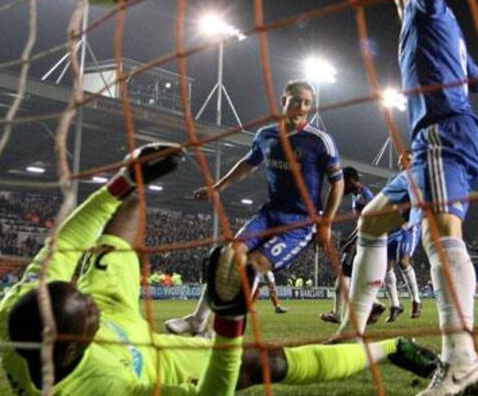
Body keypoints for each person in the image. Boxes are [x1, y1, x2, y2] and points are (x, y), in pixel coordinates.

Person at [0, 143, 438, 396]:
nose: (86, 300)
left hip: (115, 313)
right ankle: (390, 348)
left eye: (77, 294)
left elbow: (67, 241)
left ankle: (135, 189)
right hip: (159, 364)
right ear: (71, 351)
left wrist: (122, 180)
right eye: (86, 312)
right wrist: (229, 322)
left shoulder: (17, 307)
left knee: (126, 208)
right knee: (262, 363)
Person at [338, 0, 478, 396]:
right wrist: (463, 72)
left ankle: (462, 363)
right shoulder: (433, 26)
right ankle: (353, 328)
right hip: (431, 142)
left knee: (438, 237)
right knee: (372, 221)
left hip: (445, 133)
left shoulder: (428, 7)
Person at [165, 80, 345, 336]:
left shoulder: (320, 141)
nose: (301, 107)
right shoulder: (266, 135)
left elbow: (338, 183)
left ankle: (219, 331)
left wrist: (326, 223)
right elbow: (248, 164)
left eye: (307, 103)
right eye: (296, 101)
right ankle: (197, 321)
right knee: (229, 256)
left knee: (253, 265)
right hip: (269, 213)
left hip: (300, 222)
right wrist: (218, 187)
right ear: (283, 100)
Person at [320, 166, 376, 324]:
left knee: (344, 274)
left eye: (342, 182)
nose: (340, 186)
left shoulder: (364, 197)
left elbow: (368, 224)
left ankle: (340, 313)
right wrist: (350, 239)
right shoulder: (358, 195)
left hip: (367, 239)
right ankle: (372, 304)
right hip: (364, 238)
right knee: (352, 275)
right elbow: (361, 224)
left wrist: (352, 242)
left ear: (350, 181)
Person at [383, 221, 422, 322]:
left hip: (410, 227)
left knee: (403, 261)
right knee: (386, 266)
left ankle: (416, 301)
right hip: (395, 231)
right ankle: (395, 306)